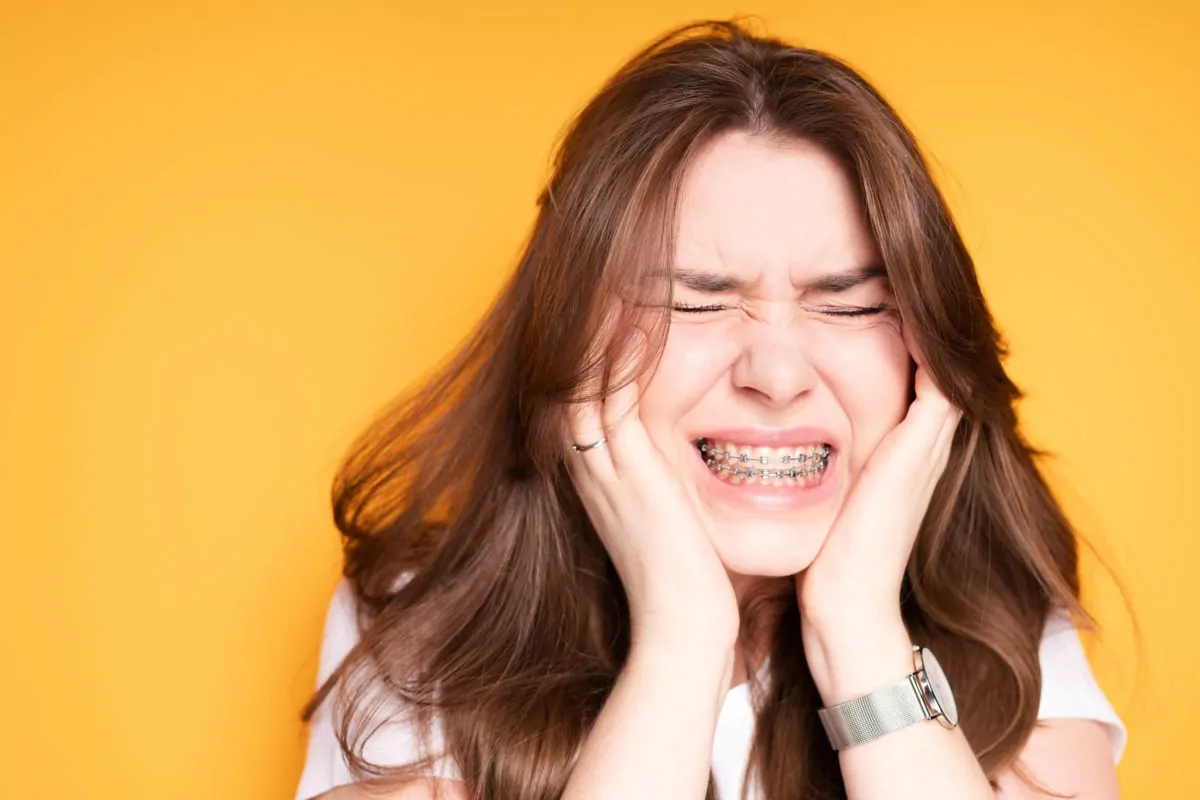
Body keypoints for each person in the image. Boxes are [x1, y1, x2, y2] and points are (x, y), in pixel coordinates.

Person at [294, 20, 1126, 800]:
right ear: (572, 334)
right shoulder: (423, 625)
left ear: (930, 361)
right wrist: (681, 645)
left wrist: (861, 636)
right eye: (694, 302)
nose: (776, 372)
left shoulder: (1001, 618)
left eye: (847, 305)